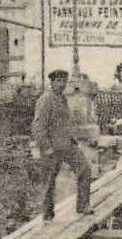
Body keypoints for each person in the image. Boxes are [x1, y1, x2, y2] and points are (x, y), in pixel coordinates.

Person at [32, 68, 92, 219]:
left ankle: (83, 206)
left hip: (67, 146)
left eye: (64, 81)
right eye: (58, 81)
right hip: (51, 148)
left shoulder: (63, 99)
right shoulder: (46, 99)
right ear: (51, 82)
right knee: (49, 183)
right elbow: (38, 126)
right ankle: (47, 216)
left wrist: (72, 139)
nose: (62, 84)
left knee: (84, 169)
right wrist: (46, 148)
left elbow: (65, 123)